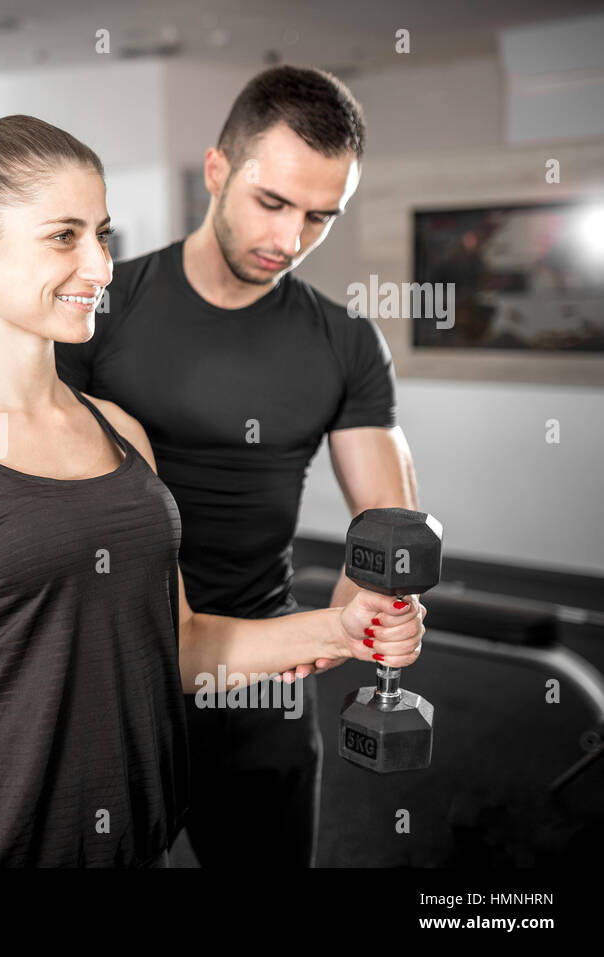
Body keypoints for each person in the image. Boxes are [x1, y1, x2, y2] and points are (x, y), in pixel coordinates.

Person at [0, 113, 426, 868]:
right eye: (64, 236)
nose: (100, 265)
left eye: (103, 234)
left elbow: (175, 645)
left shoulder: (120, 431)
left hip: (137, 843)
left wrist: (340, 628)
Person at [55, 65, 425, 868]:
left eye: (320, 217)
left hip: (264, 676)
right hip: (116, 675)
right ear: (218, 170)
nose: (290, 241)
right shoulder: (100, 314)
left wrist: (371, 607)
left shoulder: (346, 343)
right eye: (273, 203)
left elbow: (385, 523)